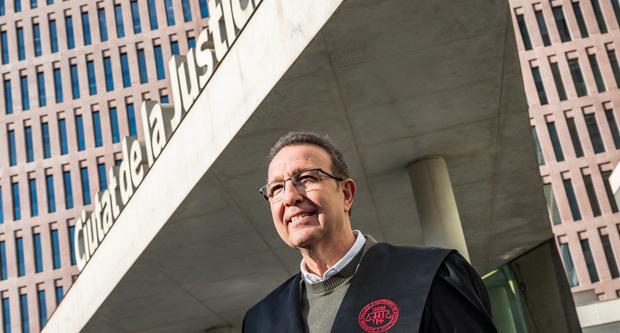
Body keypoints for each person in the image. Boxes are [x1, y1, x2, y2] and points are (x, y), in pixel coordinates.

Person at [243, 132, 497, 333]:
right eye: (276, 188)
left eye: (307, 178)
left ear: (346, 194)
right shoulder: (261, 321)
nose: (290, 196)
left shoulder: (431, 277)